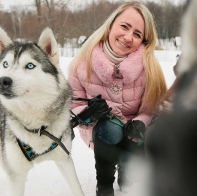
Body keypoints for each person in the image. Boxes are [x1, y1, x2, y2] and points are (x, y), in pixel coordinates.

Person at [68, 1, 167, 195]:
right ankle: (104, 183)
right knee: (110, 129)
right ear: (111, 24)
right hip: (102, 131)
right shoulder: (81, 63)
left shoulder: (150, 68)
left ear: (143, 41)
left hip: (134, 133)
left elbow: (152, 108)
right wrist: (88, 112)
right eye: (124, 26)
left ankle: (126, 172)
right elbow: (74, 104)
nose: (128, 37)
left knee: (137, 156)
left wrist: (141, 122)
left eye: (137, 34)